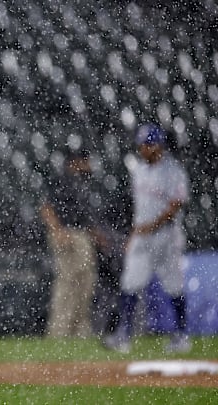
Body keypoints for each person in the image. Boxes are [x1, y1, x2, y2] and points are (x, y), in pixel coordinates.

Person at [104, 123, 191, 353]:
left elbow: (176, 205)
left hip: (166, 236)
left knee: (174, 285)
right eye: (142, 144)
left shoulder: (174, 171)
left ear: (158, 145)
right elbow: (140, 208)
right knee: (129, 283)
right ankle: (124, 335)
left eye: (148, 144)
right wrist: (134, 233)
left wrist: (151, 225)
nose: (143, 148)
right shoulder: (139, 170)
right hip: (142, 236)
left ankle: (181, 335)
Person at [39, 150, 97, 338]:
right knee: (67, 282)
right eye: (84, 161)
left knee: (85, 282)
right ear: (76, 161)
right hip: (66, 233)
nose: (88, 165)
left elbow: (83, 213)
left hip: (79, 234)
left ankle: (78, 330)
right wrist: (57, 231)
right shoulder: (62, 179)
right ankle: (59, 331)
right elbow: (46, 207)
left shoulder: (82, 182)